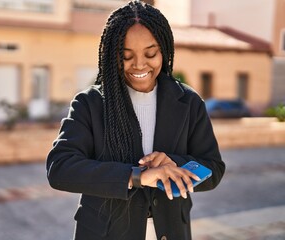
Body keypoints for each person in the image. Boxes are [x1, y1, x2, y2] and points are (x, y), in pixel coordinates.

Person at [46, 1, 225, 239]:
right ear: (112, 56)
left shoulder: (189, 102)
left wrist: (174, 165)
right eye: (126, 56)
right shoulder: (90, 103)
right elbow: (61, 168)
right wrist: (136, 175)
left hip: (171, 231)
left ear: (164, 50)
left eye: (150, 53)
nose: (140, 65)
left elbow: (213, 167)